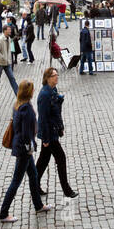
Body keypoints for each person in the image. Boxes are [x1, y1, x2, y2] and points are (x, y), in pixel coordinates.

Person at [0, 79, 46, 222]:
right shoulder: (26, 108)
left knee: (33, 175)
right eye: (32, 89)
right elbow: (26, 134)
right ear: (29, 92)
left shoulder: (17, 105)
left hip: (22, 148)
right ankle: (3, 213)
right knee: (16, 181)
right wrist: (30, 148)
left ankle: (38, 205)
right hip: (24, 150)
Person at [35, 66, 77, 199]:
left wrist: (61, 126)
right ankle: (67, 190)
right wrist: (46, 139)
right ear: (48, 78)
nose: (57, 77)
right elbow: (43, 118)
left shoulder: (53, 90)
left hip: (53, 130)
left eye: (57, 75)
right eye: (54, 75)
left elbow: (56, 112)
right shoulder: (44, 95)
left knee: (43, 160)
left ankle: (34, 185)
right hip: (49, 133)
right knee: (61, 158)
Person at [0, 25, 18, 98]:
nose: (10, 31)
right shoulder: (0, 39)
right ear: (5, 31)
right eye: (9, 30)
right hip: (0, 63)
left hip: (7, 63)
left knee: (12, 78)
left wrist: (9, 59)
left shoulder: (9, 38)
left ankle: (18, 95)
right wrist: (3, 58)